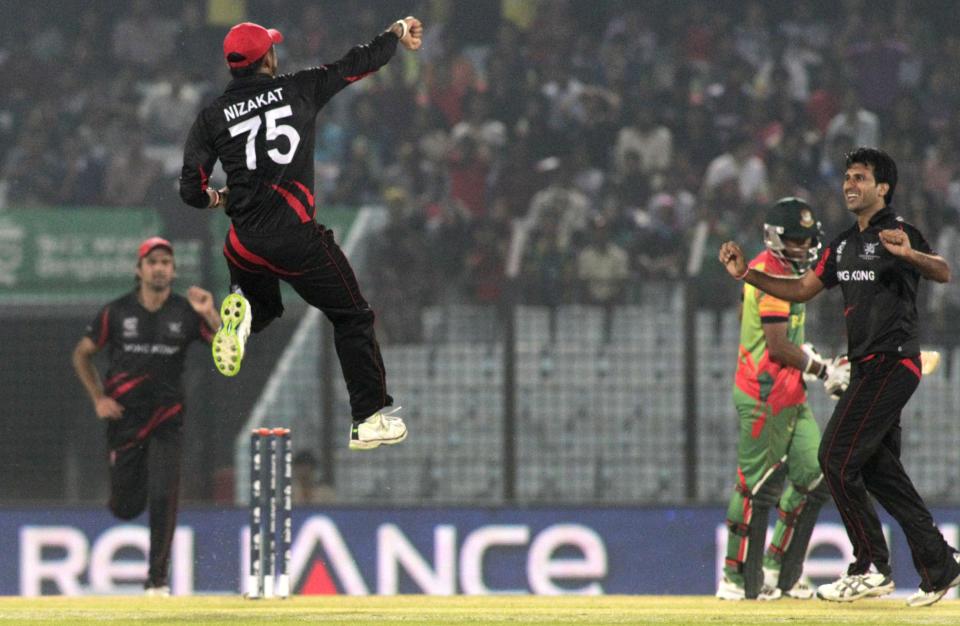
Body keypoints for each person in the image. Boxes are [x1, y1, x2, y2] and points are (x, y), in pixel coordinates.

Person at [719, 147, 960, 607]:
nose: (850, 184)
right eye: (847, 177)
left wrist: (911, 255)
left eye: (860, 178)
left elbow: (944, 271)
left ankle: (870, 566)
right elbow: (802, 289)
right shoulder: (844, 243)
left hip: (891, 363)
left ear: (882, 187)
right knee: (879, 473)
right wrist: (747, 274)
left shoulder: (899, 232)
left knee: (833, 457)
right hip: (868, 366)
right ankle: (940, 566)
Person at [178, 17, 424, 450]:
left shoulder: (212, 116)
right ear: (267, 58)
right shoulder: (299, 87)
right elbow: (357, 64)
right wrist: (397, 32)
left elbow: (190, 191)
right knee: (353, 316)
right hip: (297, 240)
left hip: (244, 243)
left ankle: (241, 310)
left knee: (265, 310)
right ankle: (367, 418)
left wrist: (219, 199)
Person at [71, 237, 220, 596]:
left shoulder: (187, 312)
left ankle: (157, 581)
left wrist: (211, 314)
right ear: (139, 270)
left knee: (163, 493)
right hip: (125, 418)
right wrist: (99, 399)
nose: (159, 268)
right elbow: (81, 354)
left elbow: (227, 354)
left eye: (166, 262)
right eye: (152, 261)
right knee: (126, 507)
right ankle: (125, 502)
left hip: (168, 416)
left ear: (173, 270)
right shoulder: (116, 312)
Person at [715, 197, 831, 602]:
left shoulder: (789, 274)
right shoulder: (768, 272)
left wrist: (813, 360)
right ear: (775, 238)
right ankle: (734, 577)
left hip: (791, 394)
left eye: (807, 240)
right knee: (756, 487)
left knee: (817, 475)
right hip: (763, 395)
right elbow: (778, 348)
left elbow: (791, 340)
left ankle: (777, 570)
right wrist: (823, 369)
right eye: (795, 240)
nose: (803, 248)